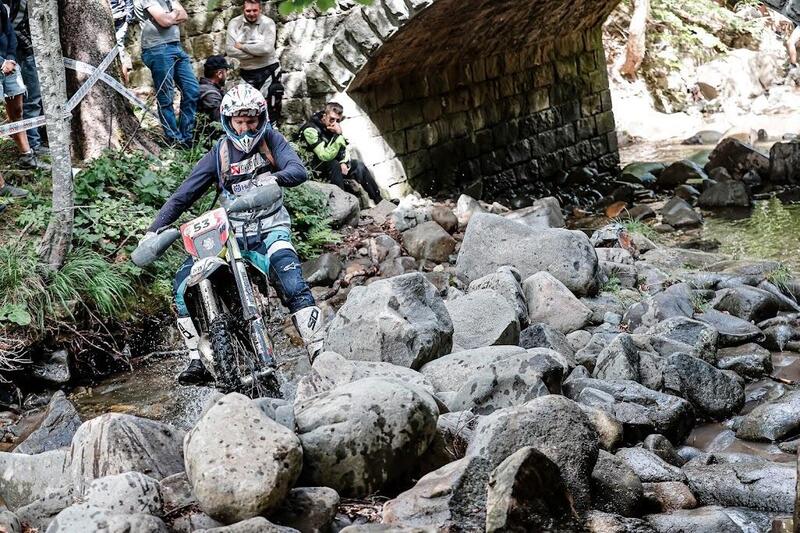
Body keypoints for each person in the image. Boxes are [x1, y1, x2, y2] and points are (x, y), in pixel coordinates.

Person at [139, 84, 324, 385]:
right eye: (239, 122)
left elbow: (298, 170)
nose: (245, 128)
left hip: (270, 229)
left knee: (292, 282)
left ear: (261, 118)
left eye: (251, 121)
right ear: (228, 121)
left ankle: (319, 354)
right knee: (183, 282)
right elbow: (183, 195)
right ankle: (197, 358)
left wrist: (272, 180)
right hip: (230, 235)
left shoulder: (271, 139)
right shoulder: (220, 153)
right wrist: (152, 231)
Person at [133, 0, 199, 146]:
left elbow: (184, 15)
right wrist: (173, 15)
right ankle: (174, 140)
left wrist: (169, 16)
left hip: (176, 46)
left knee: (192, 90)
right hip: (157, 48)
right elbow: (165, 21)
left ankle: (187, 137)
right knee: (166, 95)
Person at [299, 102, 383, 205]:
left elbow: (344, 149)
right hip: (311, 167)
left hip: (329, 163)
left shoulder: (332, 127)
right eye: (332, 119)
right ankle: (342, 203)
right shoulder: (310, 130)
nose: (334, 123)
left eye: (337, 120)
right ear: (324, 116)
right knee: (334, 164)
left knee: (358, 165)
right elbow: (323, 155)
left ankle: (379, 200)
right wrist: (338, 136)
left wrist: (343, 162)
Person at [0, 2, 46, 170]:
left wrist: (11, 58)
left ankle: (27, 155)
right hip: (5, 62)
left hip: (10, 63)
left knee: (17, 111)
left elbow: (9, 30)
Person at [225, 0, 283, 124]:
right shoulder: (234, 24)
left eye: (255, 10)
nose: (252, 14)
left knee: (269, 107)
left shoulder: (268, 23)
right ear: (243, 9)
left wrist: (242, 47)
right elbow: (230, 50)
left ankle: (270, 131)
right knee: (246, 106)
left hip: (268, 69)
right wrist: (256, 53)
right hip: (247, 72)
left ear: (260, 9)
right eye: (248, 11)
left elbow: (267, 49)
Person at [197, 55, 230, 122]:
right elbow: (219, 122)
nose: (227, 75)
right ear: (219, 74)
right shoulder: (211, 93)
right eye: (226, 71)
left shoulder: (203, 87)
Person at [109, 0, 135, 83]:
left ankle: (125, 85)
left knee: (120, 53)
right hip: (104, 21)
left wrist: (128, 19)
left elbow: (129, 2)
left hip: (119, 21)